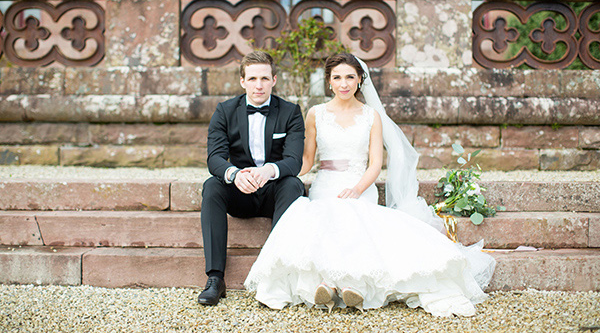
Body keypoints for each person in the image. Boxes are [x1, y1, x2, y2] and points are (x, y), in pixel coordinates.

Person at [244, 53, 495, 317]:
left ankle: (348, 284)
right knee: (325, 217)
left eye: (350, 77)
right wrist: (271, 173)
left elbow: (375, 163)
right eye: (337, 77)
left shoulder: (371, 115)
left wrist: (358, 189)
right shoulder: (315, 113)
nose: (344, 84)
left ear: (360, 80)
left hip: (360, 184)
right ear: (329, 82)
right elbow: (306, 161)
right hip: (326, 183)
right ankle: (331, 284)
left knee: (354, 215)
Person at [198, 50, 305, 306]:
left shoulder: (291, 112)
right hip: (240, 193)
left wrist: (269, 170)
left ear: (274, 80)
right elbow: (214, 158)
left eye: (265, 79)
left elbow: (294, 160)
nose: (259, 85)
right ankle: (215, 278)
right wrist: (234, 175)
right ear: (242, 81)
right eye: (253, 78)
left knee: (293, 184)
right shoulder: (224, 111)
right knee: (212, 186)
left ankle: (276, 276)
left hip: (273, 192)